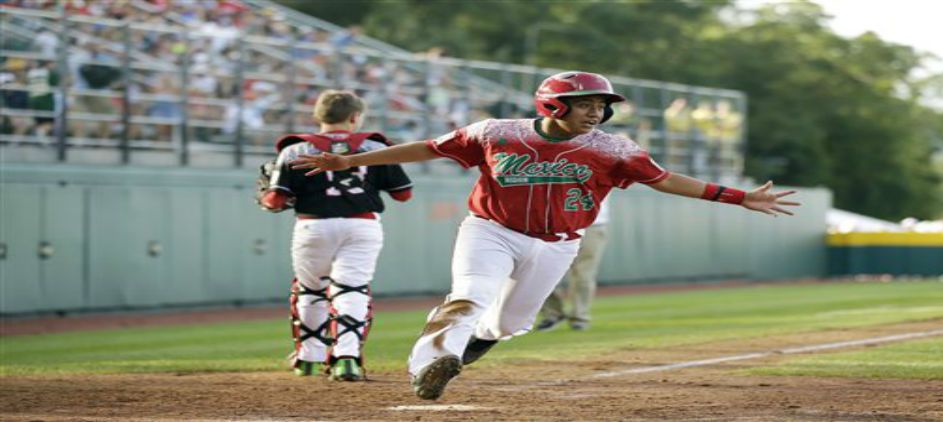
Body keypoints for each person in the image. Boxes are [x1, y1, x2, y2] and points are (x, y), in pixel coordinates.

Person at [291, 71, 799, 399]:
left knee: (509, 323)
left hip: (558, 243)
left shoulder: (612, 148)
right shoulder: (495, 133)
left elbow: (664, 180)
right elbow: (428, 148)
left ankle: (463, 351)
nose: (597, 113)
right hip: (490, 230)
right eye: (586, 105)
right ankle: (432, 362)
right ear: (554, 106)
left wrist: (738, 196)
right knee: (469, 297)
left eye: (602, 106)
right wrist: (350, 159)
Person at [259, 90, 414, 382]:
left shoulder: (294, 150)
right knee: (352, 289)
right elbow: (403, 195)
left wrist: (273, 195)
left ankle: (308, 358)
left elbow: (274, 202)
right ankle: (347, 359)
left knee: (311, 290)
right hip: (362, 225)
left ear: (318, 116)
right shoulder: (375, 147)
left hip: (314, 224)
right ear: (354, 117)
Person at [535, 196, 612, 332]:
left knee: (583, 275)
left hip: (593, 225)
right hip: (553, 224)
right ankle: (553, 314)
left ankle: (580, 317)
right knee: (542, 272)